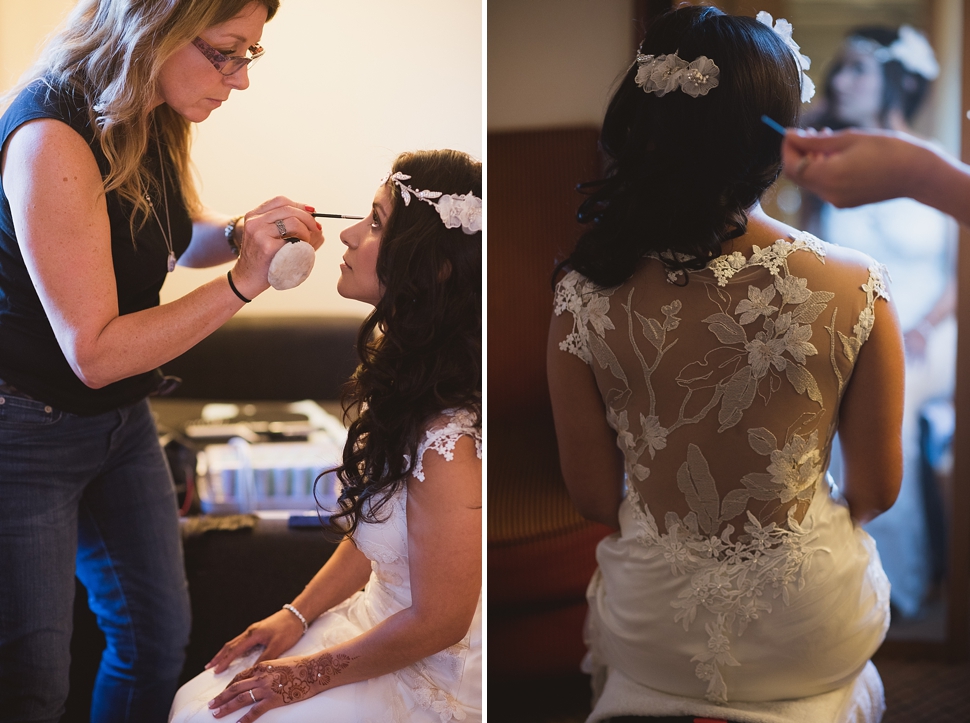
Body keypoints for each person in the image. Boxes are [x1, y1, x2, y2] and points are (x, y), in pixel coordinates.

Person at [548, 6, 903, 722]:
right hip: (809, 625)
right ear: (777, 135)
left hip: (656, 629)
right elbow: (877, 490)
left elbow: (591, 497)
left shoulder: (582, 291)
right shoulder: (855, 283)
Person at [0, 1, 325, 721]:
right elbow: (95, 352)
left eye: (251, 55)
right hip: (22, 428)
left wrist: (245, 231)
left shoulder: (150, 112)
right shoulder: (51, 135)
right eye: (227, 52)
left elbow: (176, 239)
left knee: (155, 640)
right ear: (158, 27)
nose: (240, 80)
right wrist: (246, 280)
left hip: (118, 422)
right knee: (30, 680)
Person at [168, 149, 482, 723]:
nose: (349, 237)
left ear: (433, 267)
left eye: (377, 221)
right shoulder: (409, 378)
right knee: (201, 702)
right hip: (374, 621)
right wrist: (296, 612)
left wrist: (307, 675)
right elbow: (376, 535)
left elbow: (442, 622)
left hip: (429, 658)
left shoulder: (449, 443)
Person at [802, 25, 955, 618]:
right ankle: (838, 577)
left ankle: (899, 583)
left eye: (857, 69)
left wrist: (919, 327)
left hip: (932, 330)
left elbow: (958, 273)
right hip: (861, 328)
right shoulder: (831, 166)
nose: (841, 81)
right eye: (840, 69)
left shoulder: (931, 163)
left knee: (886, 402)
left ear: (897, 80)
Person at [782, 128, 970, 226]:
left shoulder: (939, 154)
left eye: (859, 69)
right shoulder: (826, 165)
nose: (839, 83)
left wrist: (915, 171)